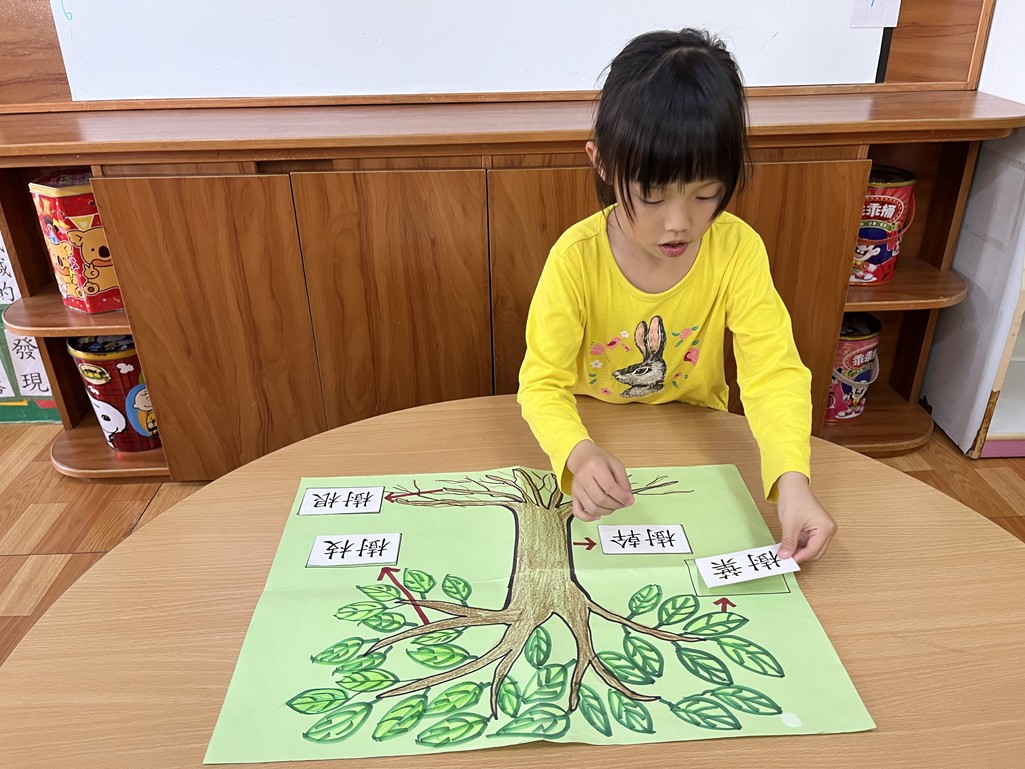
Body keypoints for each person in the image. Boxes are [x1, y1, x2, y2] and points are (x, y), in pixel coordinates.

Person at [517, 28, 836, 563]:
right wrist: (578, 452)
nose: (679, 223)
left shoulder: (736, 250)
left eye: (706, 194)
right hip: (595, 433)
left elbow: (773, 373)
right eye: (652, 195)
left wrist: (792, 480)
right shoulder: (576, 258)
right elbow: (541, 383)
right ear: (601, 161)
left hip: (697, 441)